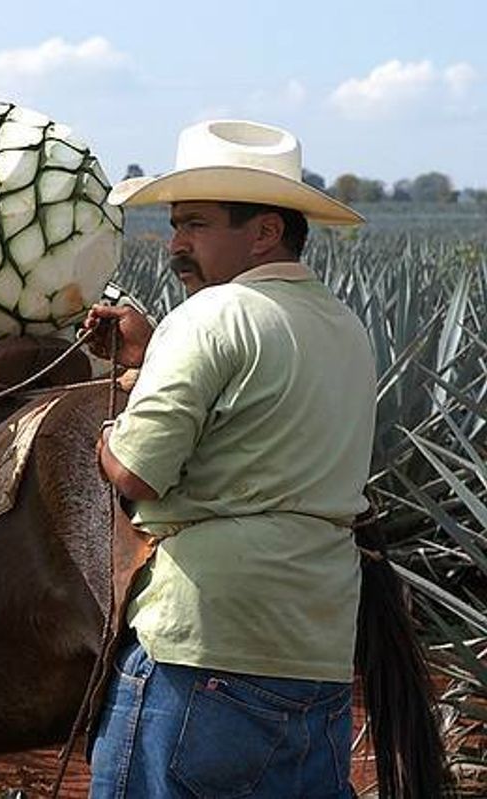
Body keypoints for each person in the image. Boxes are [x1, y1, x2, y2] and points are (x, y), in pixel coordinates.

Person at [82, 119, 374, 798]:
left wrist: (105, 425)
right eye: (175, 223)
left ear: (266, 230)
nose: (175, 243)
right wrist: (151, 359)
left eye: (197, 224)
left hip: (202, 651)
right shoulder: (344, 327)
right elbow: (258, 423)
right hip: (318, 654)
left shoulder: (210, 316)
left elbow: (135, 470)